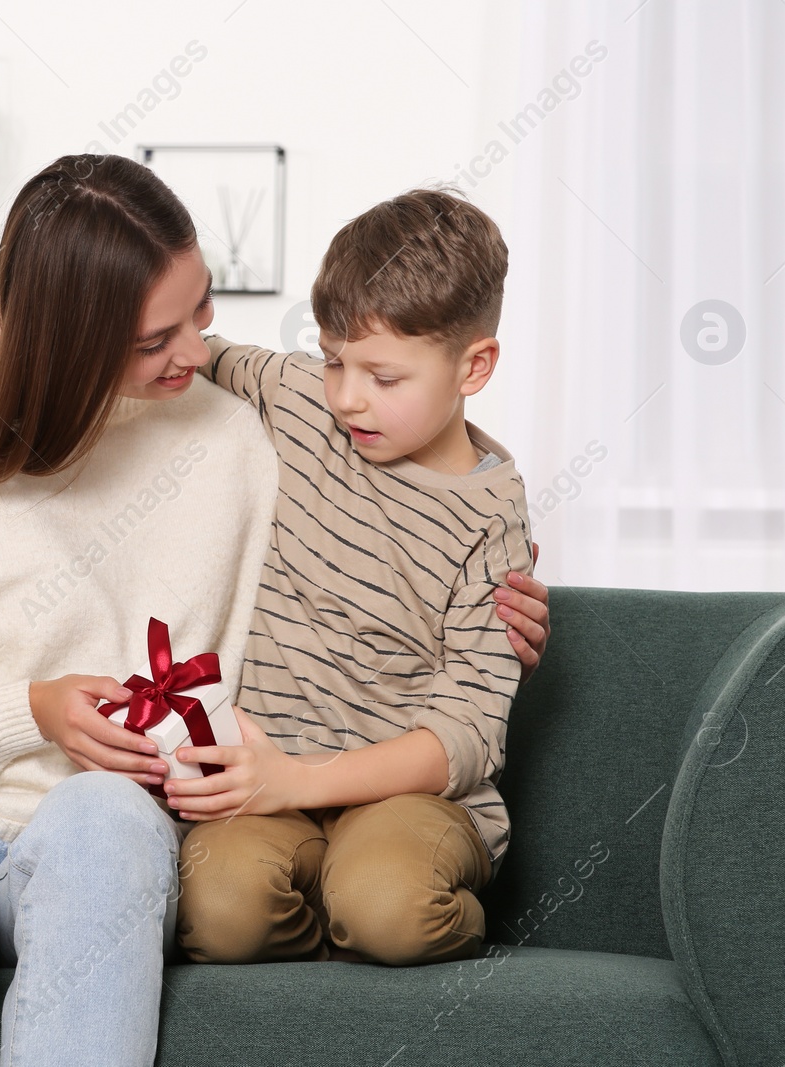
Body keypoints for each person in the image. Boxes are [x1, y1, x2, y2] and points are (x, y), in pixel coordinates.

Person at [0, 157, 550, 1066]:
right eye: (158, 337)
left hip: (82, 827)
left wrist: (494, 568)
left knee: (113, 823)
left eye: (201, 311)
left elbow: (410, 466)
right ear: (72, 339)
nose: (196, 352)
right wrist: (28, 710)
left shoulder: (241, 438)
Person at [165, 187, 533, 968]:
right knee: (220, 910)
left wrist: (295, 781)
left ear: (475, 366)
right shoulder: (303, 402)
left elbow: (464, 737)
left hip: (406, 797)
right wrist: (22, 331)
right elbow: (186, 352)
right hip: (266, 779)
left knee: (387, 906)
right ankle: (330, 943)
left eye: (384, 377)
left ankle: (371, 911)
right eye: (334, 359)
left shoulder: (491, 523)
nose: (347, 396)